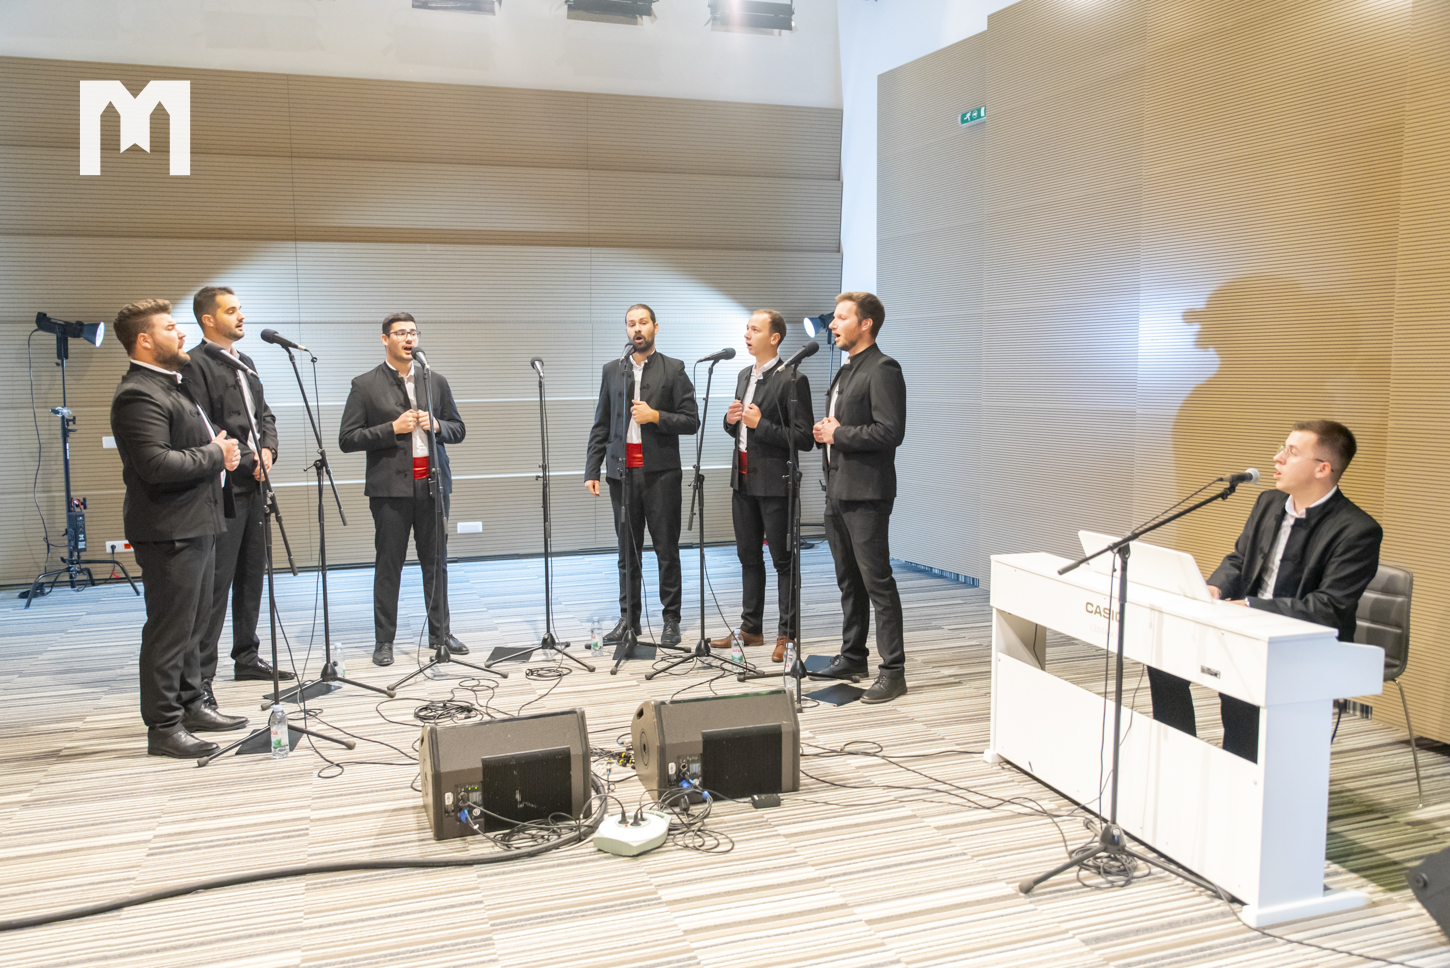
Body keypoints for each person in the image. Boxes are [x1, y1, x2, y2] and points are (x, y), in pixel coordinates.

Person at [1147, 419, 1383, 762]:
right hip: (1245, 625)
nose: (1277, 458)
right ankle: (1179, 755)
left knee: (1242, 689)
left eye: (1291, 452)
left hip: (1301, 642)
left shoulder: (1357, 530)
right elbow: (1239, 560)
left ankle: (1241, 765)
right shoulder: (1269, 503)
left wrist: (1248, 606)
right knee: (1164, 655)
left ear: (1322, 469)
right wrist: (1214, 587)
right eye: (1281, 449)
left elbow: (1328, 607)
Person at [109, 299, 250, 758]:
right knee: (170, 632)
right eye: (170, 328)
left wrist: (220, 453)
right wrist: (216, 455)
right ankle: (164, 727)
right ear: (145, 341)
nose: (182, 333)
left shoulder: (172, 384)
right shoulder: (138, 394)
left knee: (194, 626)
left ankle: (192, 705)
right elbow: (155, 464)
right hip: (169, 530)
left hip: (199, 521)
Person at [182, 286, 293, 698]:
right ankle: (202, 678)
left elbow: (265, 415)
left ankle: (246, 657)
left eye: (240, 309)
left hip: (256, 484)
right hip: (224, 488)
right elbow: (204, 426)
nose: (241, 316)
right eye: (231, 311)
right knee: (217, 584)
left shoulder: (245, 361)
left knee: (251, 576)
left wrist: (270, 450)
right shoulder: (194, 364)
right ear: (208, 319)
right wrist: (250, 459)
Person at [338, 313, 467, 667]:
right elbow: (347, 439)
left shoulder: (435, 380)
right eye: (400, 333)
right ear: (385, 339)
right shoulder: (364, 385)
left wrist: (437, 424)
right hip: (390, 492)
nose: (409, 339)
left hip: (434, 486)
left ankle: (441, 634)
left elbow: (458, 428)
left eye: (413, 332)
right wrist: (391, 428)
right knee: (389, 566)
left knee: (436, 564)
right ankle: (384, 641)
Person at [812, 291, 908, 704]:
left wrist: (839, 434)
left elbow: (890, 431)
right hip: (837, 490)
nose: (832, 325)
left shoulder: (883, 368)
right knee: (848, 581)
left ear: (865, 323)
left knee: (876, 582)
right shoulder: (846, 369)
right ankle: (853, 656)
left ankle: (894, 671)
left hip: (867, 493)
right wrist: (827, 432)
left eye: (841, 318)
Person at [585, 304, 700, 648]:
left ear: (655, 327)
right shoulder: (612, 370)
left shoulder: (674, 369)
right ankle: (628, 620)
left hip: (661, 475)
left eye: (643, 323)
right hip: (621, 475)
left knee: (666, 549)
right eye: (631, 324)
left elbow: (691, 421)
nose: (637, 329)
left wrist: (656, 416)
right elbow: (601, 424)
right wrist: (592, 469)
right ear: (627, 330)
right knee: (627, 552)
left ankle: (671, 619)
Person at [710, 309, 815, 662]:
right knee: (748, 556)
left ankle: (788, 633)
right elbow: (741, 429)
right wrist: (731, 421)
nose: (747, 335)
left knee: (782, 560)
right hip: (742, 479)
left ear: (774, 337)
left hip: (775, 483)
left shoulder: (792, 379)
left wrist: (761, 425)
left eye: (754, 329)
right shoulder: (744, 374)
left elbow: (804, 438)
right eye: (746, 329)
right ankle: (751, 628)